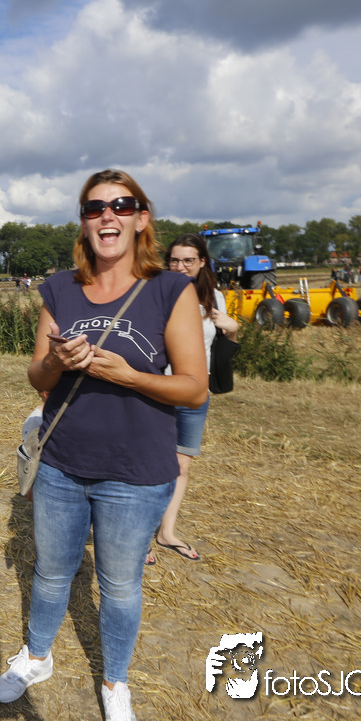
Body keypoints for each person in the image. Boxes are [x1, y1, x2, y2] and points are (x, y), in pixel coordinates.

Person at [0, 169, 207, 721]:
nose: (107, 216)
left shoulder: (170, 290)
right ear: (84, 222)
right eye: (94, 208)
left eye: (121, 205)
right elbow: (36, 374)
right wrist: (57, 362)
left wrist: (130, 375)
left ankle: (115, 685)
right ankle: (37, 656)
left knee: (119, 585)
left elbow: (194, 387)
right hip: (61, 463)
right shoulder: (60, 289)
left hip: (135, 471)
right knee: (50, 572)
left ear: (141, 218)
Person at [145, 233, 239, 565]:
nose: (180, 266)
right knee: (150, 464)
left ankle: (166, 532)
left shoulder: (214, 297)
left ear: (202, 262)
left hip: (196, 392)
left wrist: (232, 329)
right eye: (174, 260)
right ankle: (139, 536)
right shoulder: (155, 293)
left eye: (188, 260)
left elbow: (219, 351)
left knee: (181, 465)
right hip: (160, 388)